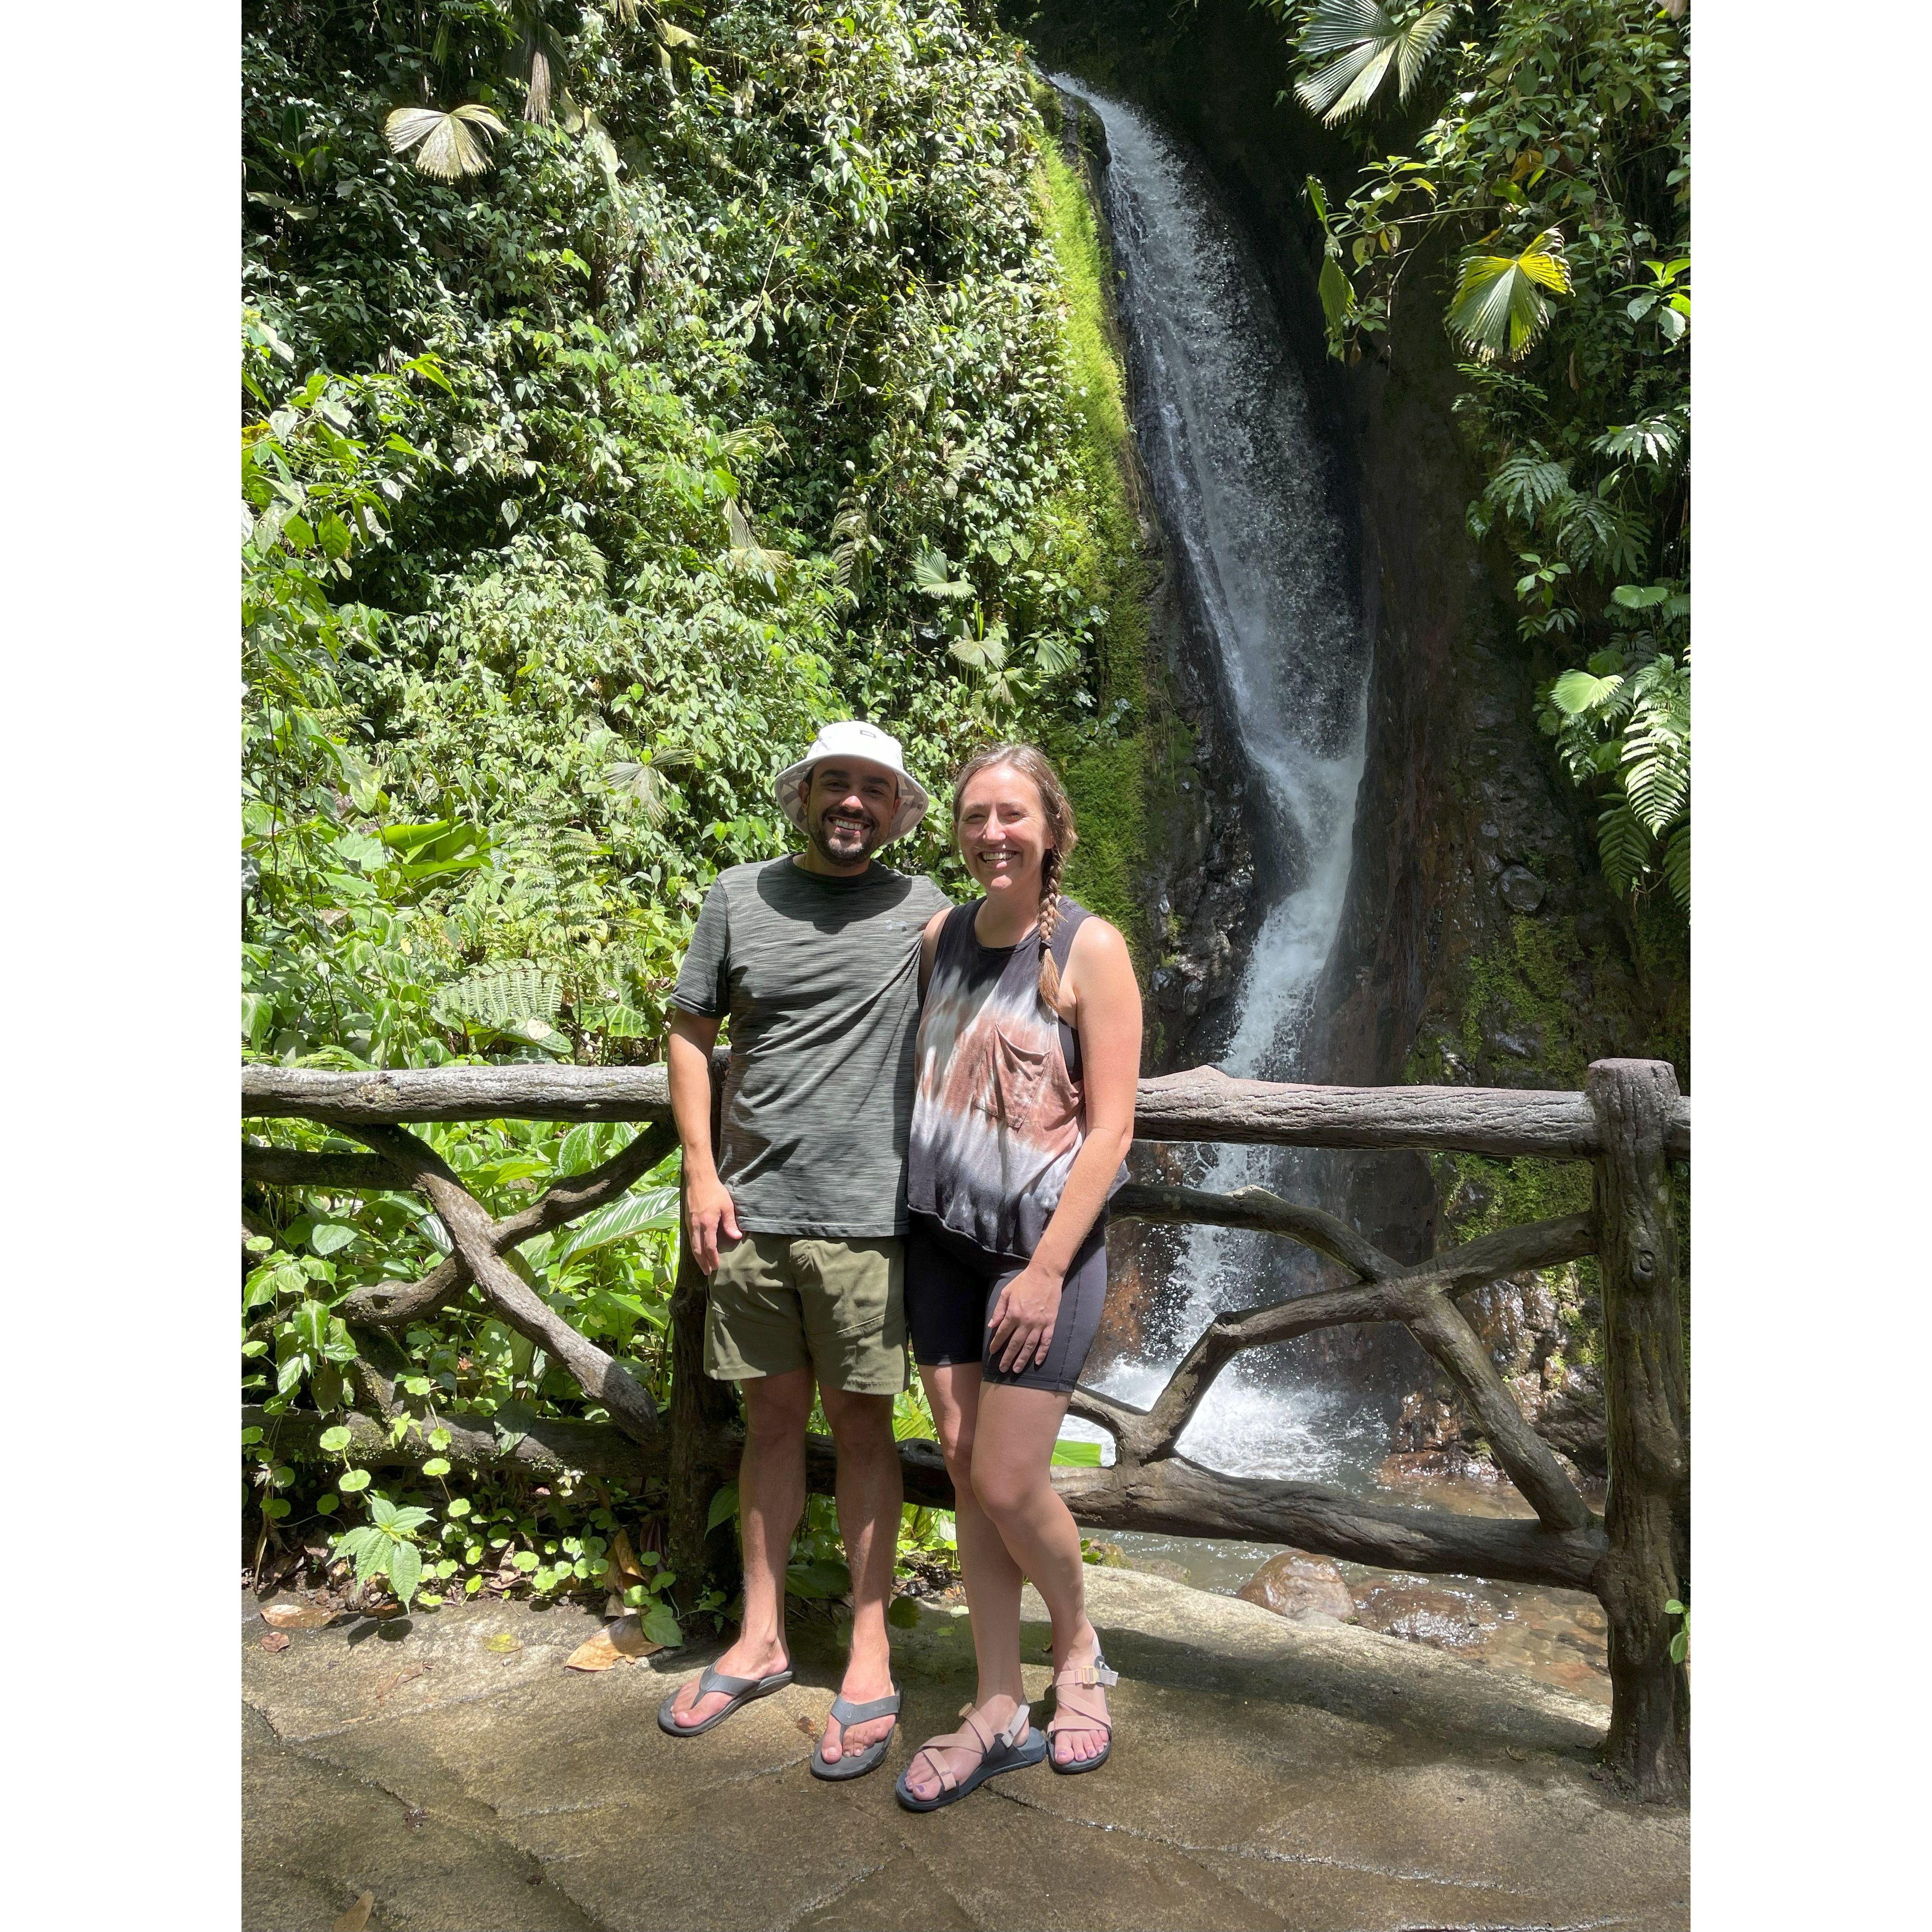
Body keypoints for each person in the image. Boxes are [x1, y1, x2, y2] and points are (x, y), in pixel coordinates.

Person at [656, 720, 951, 1780]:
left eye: (874, 787)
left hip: (870, 1220)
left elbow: (1013, 981)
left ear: (898, 809)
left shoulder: (927, 914)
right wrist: (701, 1172)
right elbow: (689, 1034)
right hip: (751, 1215)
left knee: (864, 1429)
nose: (853, 802)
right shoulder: (739, 898)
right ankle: (762, 1636)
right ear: (805, 794)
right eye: (836, 782)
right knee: (770, 1425)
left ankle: (870, 1649)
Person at [893, 743, 1142, 1811]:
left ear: (1052, 828)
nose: (992, 833)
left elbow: (1113, 1129)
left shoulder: (1091, 949)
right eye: (975, 816)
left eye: (1013, 815)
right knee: (962, 1464)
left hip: (1040, 1255)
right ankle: (997, 1701)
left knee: (1005, 1479)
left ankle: (1077, 1646)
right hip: (939, 1242)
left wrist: (1043, 1272)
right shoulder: (941, 936)